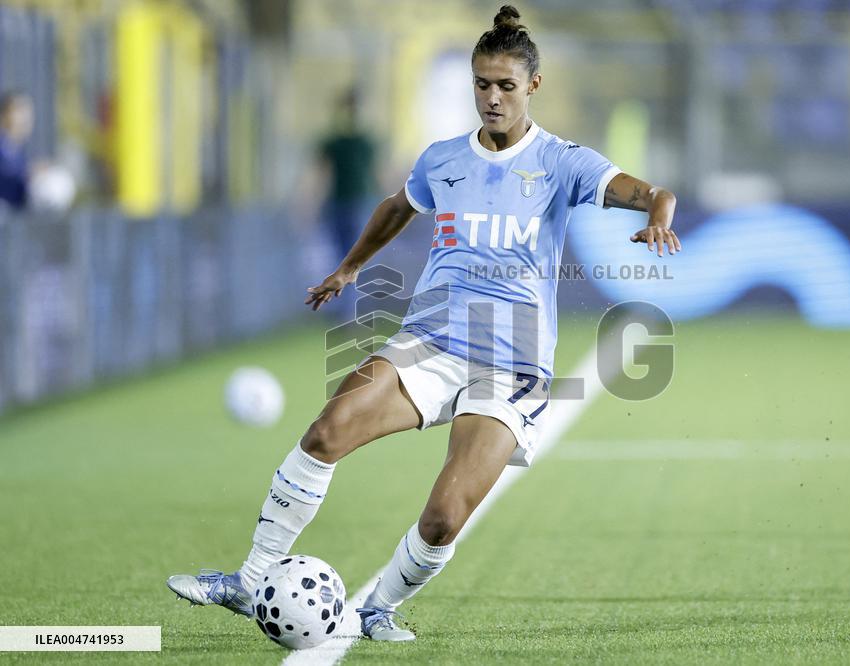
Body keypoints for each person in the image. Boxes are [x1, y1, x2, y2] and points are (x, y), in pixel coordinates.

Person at [167, 5, 680, 642]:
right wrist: (350, 267)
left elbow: (652, 192)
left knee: (443, 518)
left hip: (513, 368)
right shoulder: (442, 159)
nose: (492, 98)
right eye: (481, 84)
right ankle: (251, 579)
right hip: (430, 342)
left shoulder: (562, 163)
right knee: (328, 431)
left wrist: (657, 215)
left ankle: (377, 606)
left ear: (534, 87)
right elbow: (395, 207)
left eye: (506, 86)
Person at [314, 87, 378, 317]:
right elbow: (322, 175)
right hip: (340, 205)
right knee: (343, 258)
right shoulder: (337, 143)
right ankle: (345, 310)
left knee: (351, 260)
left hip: (357, 205)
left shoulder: (365, 142)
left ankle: (347, 311)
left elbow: (377, 175)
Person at [0, 92, 33, 210]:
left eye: (28, 112)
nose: (25, 117)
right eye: (19, 110)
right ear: (4, 115)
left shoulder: (19, 155)